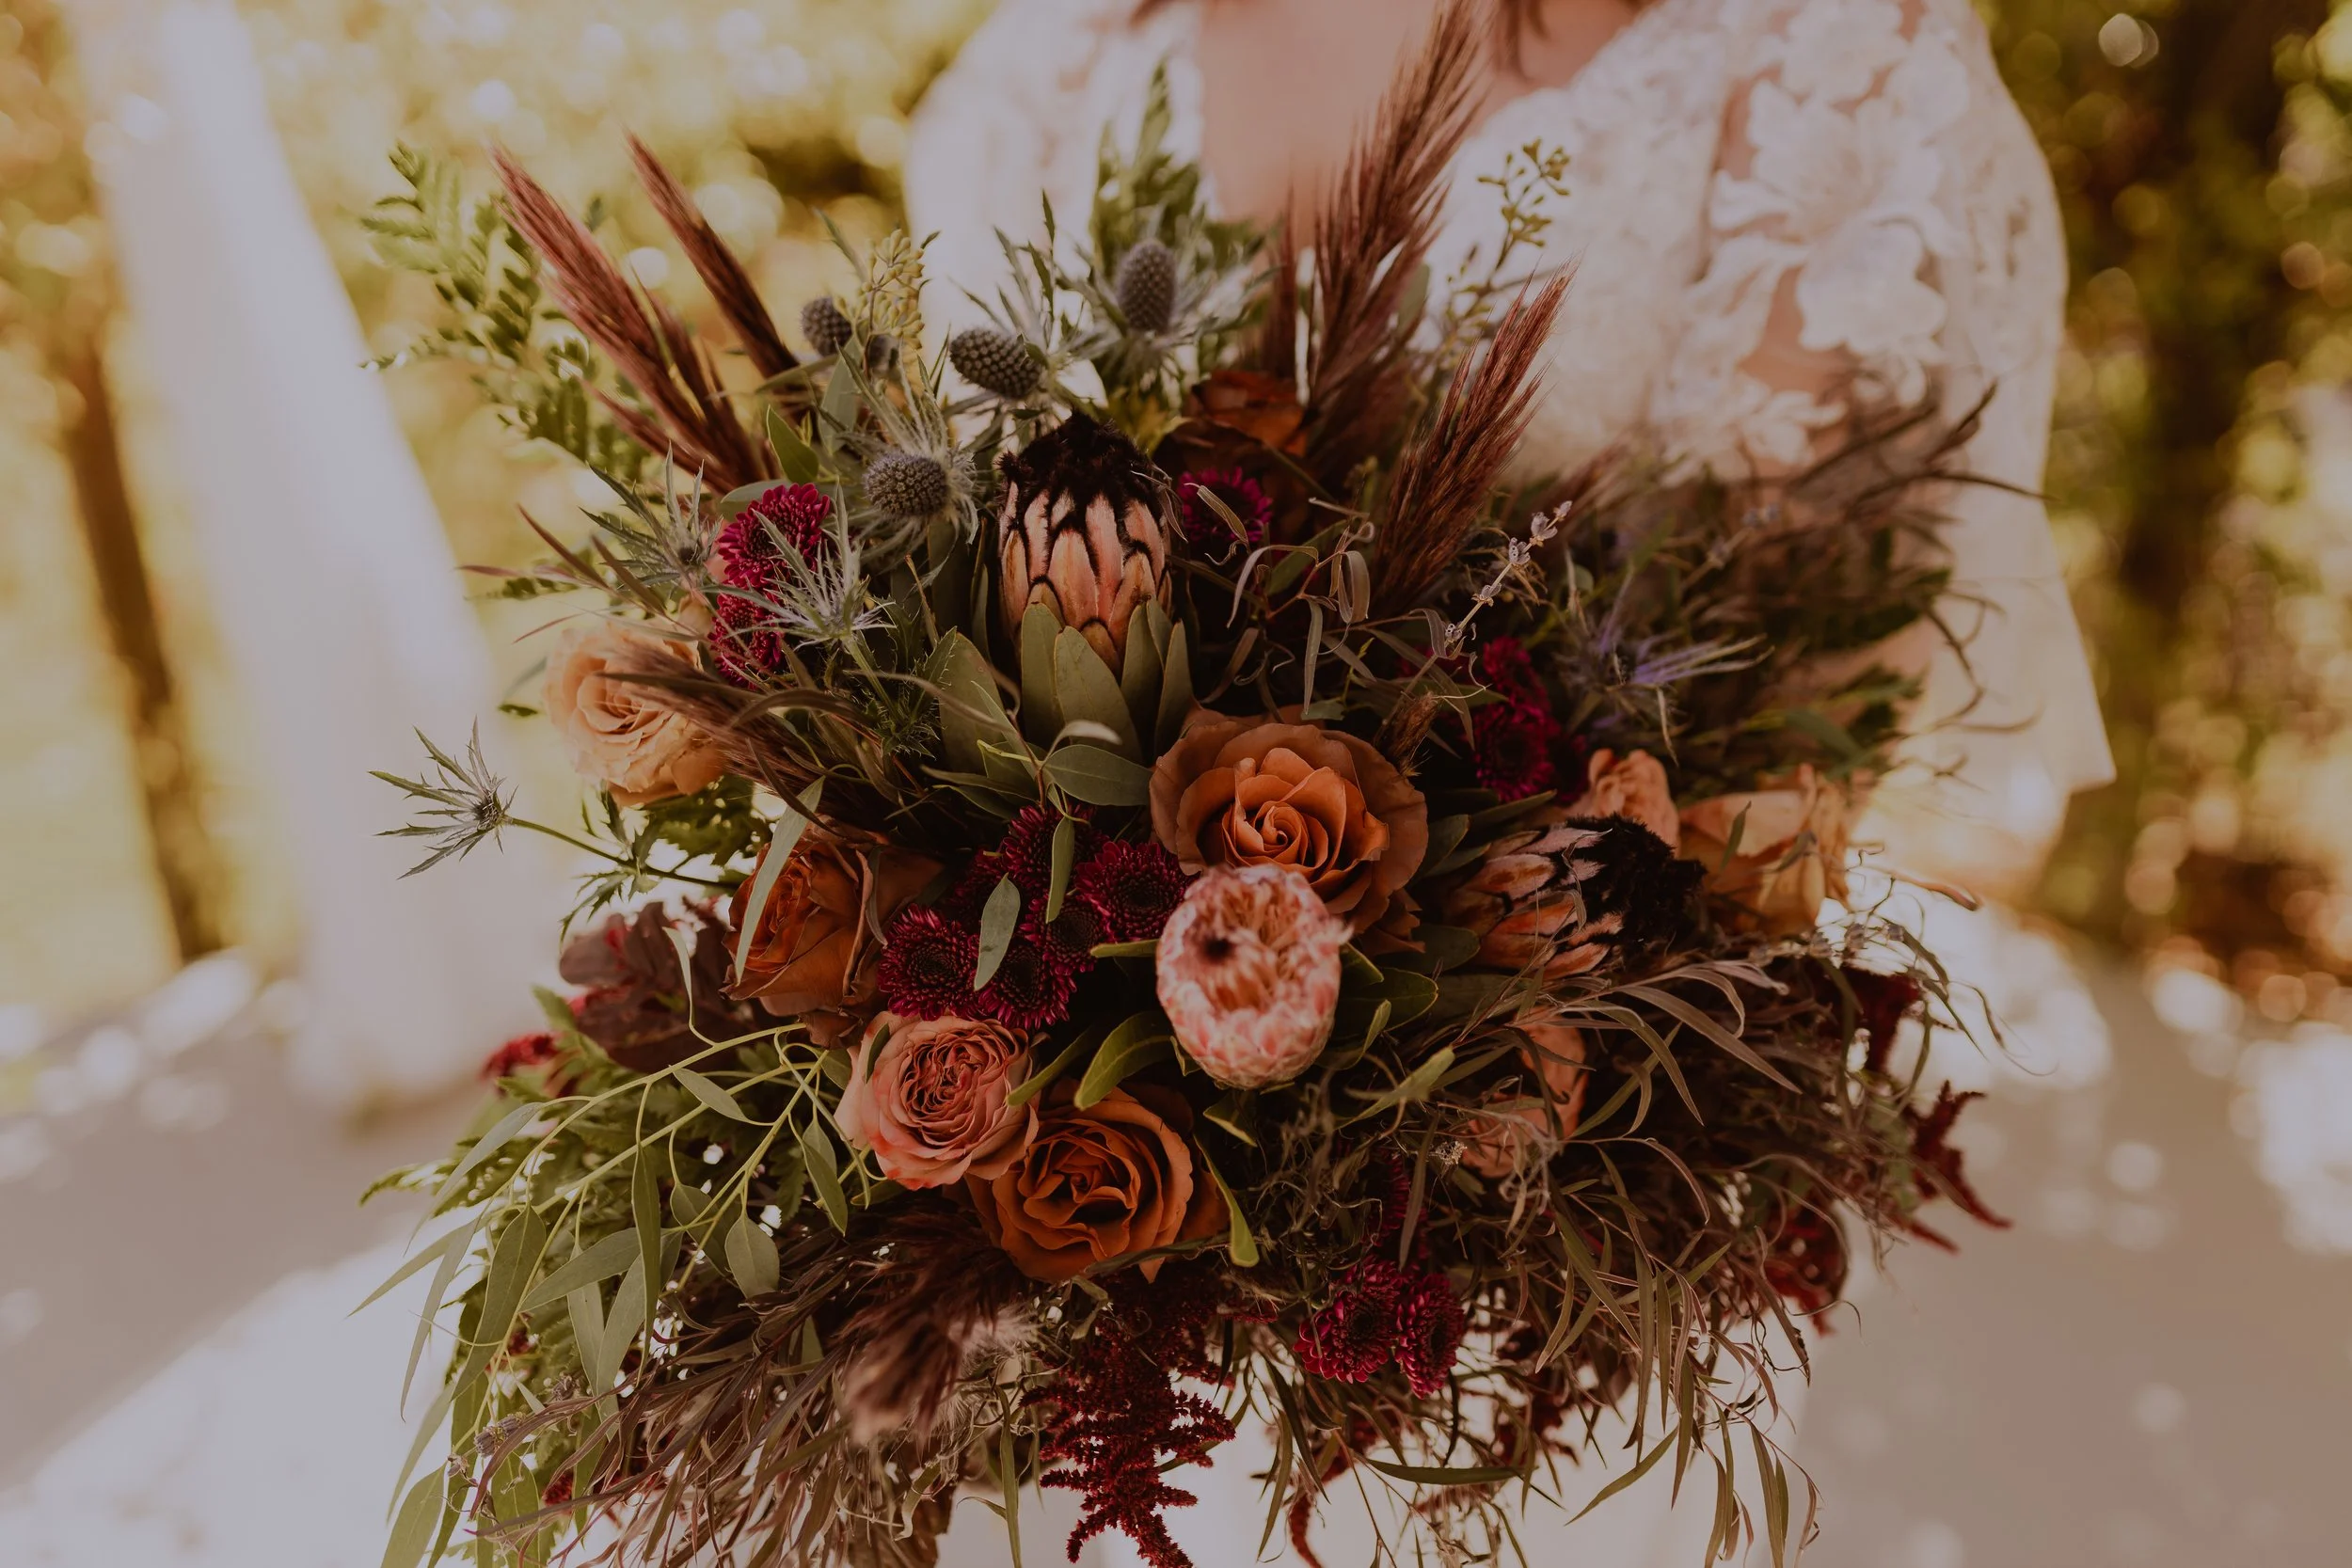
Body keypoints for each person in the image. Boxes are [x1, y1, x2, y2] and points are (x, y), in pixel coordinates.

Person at [908, 1, 2109, 1560]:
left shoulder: (1824, 63)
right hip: (1023, 1224)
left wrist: (1432, 1034)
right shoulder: (1061, 45)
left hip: (1489, 1227)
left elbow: (1800, 712)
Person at [907, 0, 2113, 907]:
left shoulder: (1821, 51)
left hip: (1524, 999)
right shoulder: (1064, 38)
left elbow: (1796, 681)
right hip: (1014, 942)